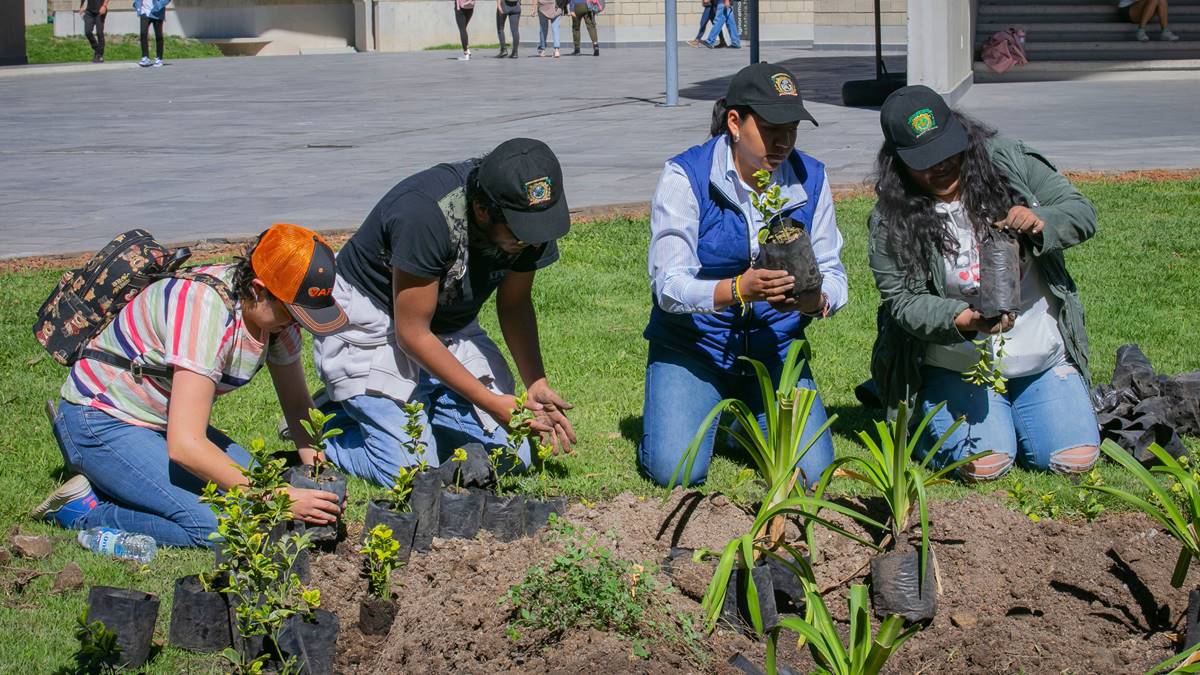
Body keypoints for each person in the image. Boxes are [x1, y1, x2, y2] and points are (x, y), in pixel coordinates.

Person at [32, 224, 349, 547]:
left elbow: (297, 406)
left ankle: (126, 481)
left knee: (264, 495)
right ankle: (84, 510)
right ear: (257, 288)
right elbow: (185, 445)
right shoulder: (206, 310)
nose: (297, 323)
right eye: (292, 312)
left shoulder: (277, 318)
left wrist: (320, 478)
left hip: (160, 425)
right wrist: (272, 497)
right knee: (227, 528)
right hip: (99, 422)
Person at [312, 138, 577, 487]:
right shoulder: (424, 214)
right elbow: (412, 334)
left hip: (448, 325)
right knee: (411, 473)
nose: (534, 243)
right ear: (483, 210)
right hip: (374, 324)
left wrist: (536, 383)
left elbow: (514, 303)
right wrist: (488, 400)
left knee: (513, 458)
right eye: (521, 235)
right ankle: (332, 424)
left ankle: (414, 401)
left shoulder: (528, 221)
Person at [867, 85, 1100, 481]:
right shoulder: (891, 217)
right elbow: (903, 302)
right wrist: (965, 319)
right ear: (899, 164)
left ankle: (1030, 402)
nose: (940, 165)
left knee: (1072, 459)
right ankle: (926, 411)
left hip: (1039, 356)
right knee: (986, 466)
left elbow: (1081, 212)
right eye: (924, 161)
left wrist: (1040, 222)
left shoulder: (1008, 159)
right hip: (955, 364)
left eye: (947, 151)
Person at [639, 62, 848, 488]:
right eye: (771, 128)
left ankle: (735, 424)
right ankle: (710, 408)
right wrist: (738, 289)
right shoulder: (686, 175)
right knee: (674, 471)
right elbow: (668, 287)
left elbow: (834, 273)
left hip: (776, 351)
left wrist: (814, 300)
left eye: (792, 128)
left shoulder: (812, 177)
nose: (783, 141)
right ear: (735, 122)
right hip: (695, 347)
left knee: (812, 475)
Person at [134, 0, 171, 68]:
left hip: (157, 12)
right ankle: (145, 57)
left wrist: (158, 6)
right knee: (143, 34)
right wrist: (137, 4)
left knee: (158, 35)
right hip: (144, 12)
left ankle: (159, 58)